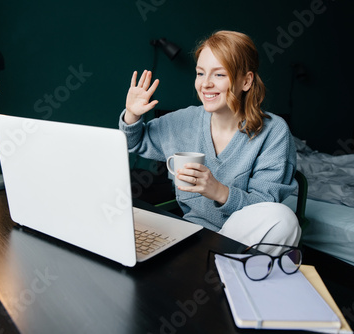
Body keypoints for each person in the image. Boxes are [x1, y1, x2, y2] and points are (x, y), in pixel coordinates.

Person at [119, 30, 301, 247]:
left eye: (219, 74)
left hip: (241, 238)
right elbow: (133, 142)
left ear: (246, 81)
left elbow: (265, 207)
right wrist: (132, 114)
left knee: (283, 219)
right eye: (200, 73)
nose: (205, 84)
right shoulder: (184, 121)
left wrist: (218, 190)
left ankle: (224, 273)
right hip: (192, 236)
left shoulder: (273, 131)